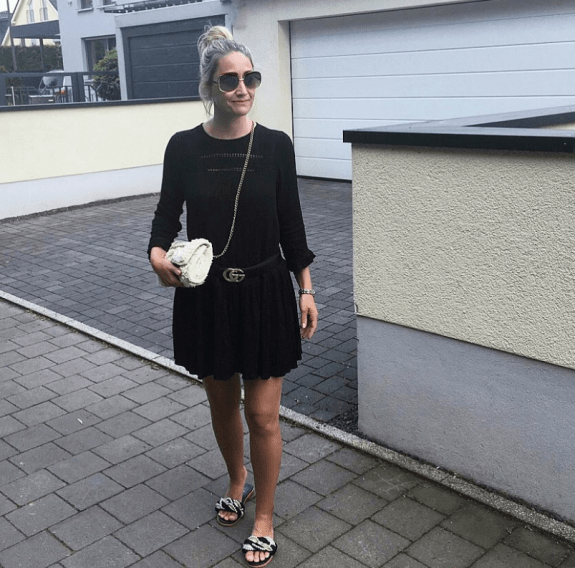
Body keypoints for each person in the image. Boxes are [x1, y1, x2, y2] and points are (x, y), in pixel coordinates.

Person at [148, 25, 318, 568]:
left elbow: (292, 224)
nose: (242, 88)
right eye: (229, 80)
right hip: (208, 297)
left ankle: (264, 516)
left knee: (263, 415)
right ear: (210, 86)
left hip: (266, 293)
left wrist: (306, 289)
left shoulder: (275, 146)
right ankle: (237, 478)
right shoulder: (184, 147)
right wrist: (157, 256)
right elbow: (164, 217)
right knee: (222, 405)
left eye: (251, 77)